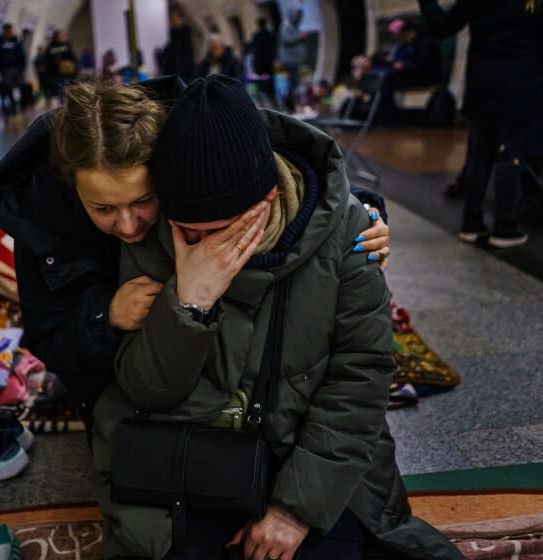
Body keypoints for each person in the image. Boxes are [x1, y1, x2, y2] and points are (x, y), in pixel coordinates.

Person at [91, 75, 459, 560]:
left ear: (265, 200)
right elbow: (146, 391)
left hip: (310, 458)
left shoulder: (352, 230)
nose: (206, 248)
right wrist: (188, 304)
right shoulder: (155, 231)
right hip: (192, 458)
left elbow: (361, 374)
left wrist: (294, 509)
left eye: (220, 230)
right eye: (189, 233)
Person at [0, 78, 391, 439]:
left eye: (144, 200)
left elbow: (258, 159)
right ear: (72, 189)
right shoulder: (43, 227)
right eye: (102, 208)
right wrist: (105, 315)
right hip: (109, 377)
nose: (128, 226)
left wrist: (357, 214)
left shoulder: (188, 130)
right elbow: (50, 344)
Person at [419, 0, 543, 248]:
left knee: (480, 154)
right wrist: (537, 59)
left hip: (481, 78)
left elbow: (441, 26)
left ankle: (471, 223)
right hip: (519, 77)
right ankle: (504, 227)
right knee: (510, 154)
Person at [0, 23, 27, 116]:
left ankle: (22, 107)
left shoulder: (16, 42)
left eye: (11, 31)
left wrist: (22, 68)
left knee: (23, 87)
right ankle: (9, 108)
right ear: (4, 32)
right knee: (6, 89)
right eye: (9, 31)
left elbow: (22, 56)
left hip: (17, 69)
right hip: (5, 70)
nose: (11, 33)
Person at [37, 30, 78, 108]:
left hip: (67, 73)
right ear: (55, 37)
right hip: (54, 74)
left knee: (65, 91)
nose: (61, 38)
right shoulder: (51, 47)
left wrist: (75, 70)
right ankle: (59, 108)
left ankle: (64, 106)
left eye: (63, 36)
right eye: (60, 36)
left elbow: (73, 59)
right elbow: (46, 60)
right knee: (58, 91)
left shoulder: (67, 46)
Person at [278, 7, 308, 113]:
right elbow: (287, 40)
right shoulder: (286, 27)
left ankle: (293, 106)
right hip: (289, 62)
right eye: (298, 16)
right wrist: (300, 37)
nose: (299, 19)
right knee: (290, 85)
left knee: (295, 84)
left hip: (295, 61)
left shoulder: (295, 28)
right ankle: (289, 107)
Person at [162, 6, 195, 84]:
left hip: (184, 75)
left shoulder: (186, 34)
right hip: (175, 74)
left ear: (181, 19)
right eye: (172, 19)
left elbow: (188, 56)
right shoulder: (173, 35)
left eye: (175, 19)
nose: (173, 22)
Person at [249, 18, 276, 96]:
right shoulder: (269, 34)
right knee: (270, 78)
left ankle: (264, 93)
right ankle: (270, 93)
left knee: (261, 79)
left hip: (259, 60)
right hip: (268, 59)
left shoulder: (255, 35)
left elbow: (253, 48)